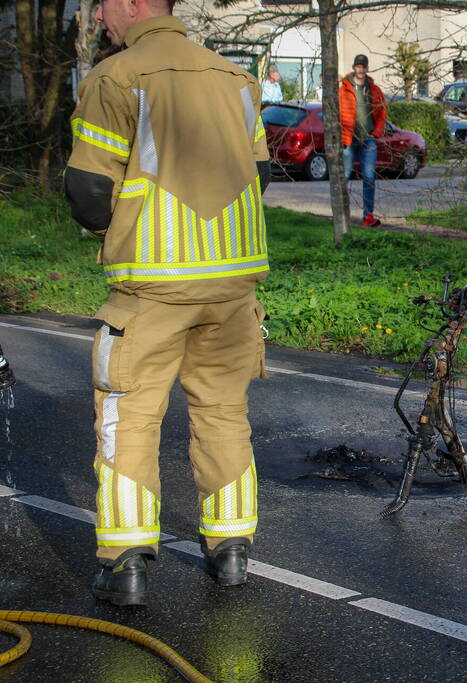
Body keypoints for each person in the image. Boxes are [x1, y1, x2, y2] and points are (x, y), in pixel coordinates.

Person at [63, 0, 271, 606]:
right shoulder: (236, 78)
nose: (99, 16)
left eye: (102, 6)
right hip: (233, 288)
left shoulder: (118, 75)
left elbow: (88, 186)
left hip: (150, 291)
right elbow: (258, 174)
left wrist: (117, 230)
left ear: (132, 4)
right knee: (224, 415)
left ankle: (126, 564)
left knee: (128, 421)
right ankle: (231, 553)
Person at [340, 54, 387, 227]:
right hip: (349, 138)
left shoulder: (374, 90)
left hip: (368, 138)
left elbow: (382, 112)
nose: (360, 69)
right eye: (358, 66)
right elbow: (336, 112)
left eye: (363, 66)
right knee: (344, 175)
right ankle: (341, 214)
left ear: (367, 68)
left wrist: (376, 132)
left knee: (369, 177)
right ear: (354, 68)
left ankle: (368, 215)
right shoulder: (343, 89)